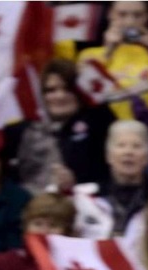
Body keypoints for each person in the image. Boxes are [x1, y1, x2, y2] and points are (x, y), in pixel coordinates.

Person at [15, 58, 113, 195]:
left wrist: (89, 76)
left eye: (68, 89)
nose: (60, 96)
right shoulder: (24, 130)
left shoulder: (98, 121)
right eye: (51, 90)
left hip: (88, 203)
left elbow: (103, 101)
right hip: (34, 207)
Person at [76, 0, 148, 124]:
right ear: (110, 14)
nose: (130, 22)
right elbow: (89, 99)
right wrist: (108, 53)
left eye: (137, 15)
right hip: (103, 129)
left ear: (147, 17)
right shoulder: (89, 55)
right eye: (122, 14)